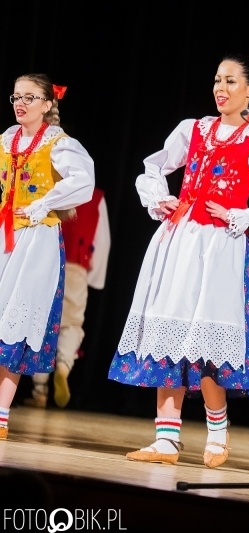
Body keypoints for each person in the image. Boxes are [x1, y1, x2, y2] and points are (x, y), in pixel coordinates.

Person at [107, 55, 249, 468]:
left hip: (218, 246)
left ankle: (218, 432)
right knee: (167, 332)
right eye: (217, 80)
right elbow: (152, 167)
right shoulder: (192, 129)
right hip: (178, 239)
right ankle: (166, 438)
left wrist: (245, 214)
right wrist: (159, 198)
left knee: (207, 341)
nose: (220, 88)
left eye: (231, 81)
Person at [0, 74, 95, 439]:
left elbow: (83, 182)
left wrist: (43, 204)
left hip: (36, 239)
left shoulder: (59, 143)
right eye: (16, 96)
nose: (20, 103)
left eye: (29, 97)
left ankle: (2, 413)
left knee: (16, 319)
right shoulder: (7, 139)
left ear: (47, 104)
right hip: (6, 232)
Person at [26, 187, 110, 409]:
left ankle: (40, 390)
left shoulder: (52, 187)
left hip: (47, 261)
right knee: (71, 324)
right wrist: (91, 276)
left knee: (43, 323)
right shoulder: (96, 197)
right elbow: (102, 242)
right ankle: (63, 365)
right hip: (76, 267)